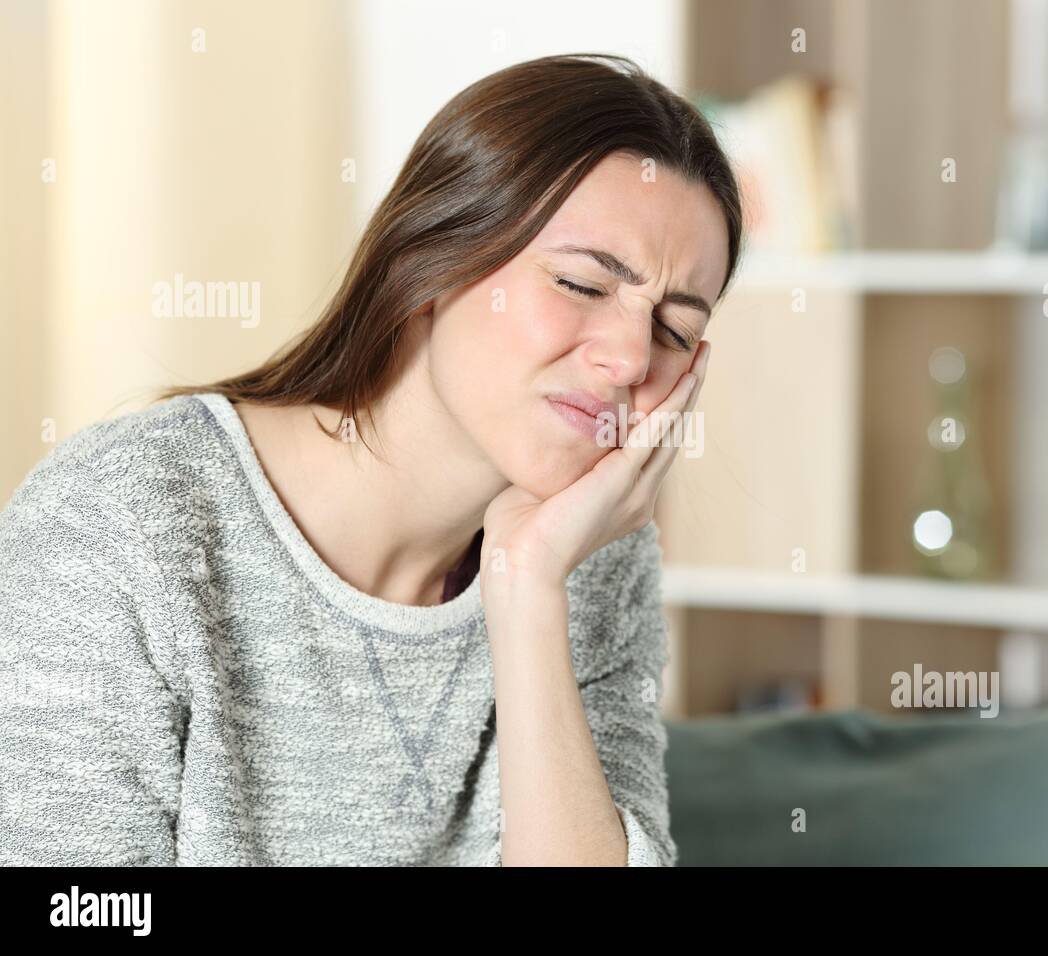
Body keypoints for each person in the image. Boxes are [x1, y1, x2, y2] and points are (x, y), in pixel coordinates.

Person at [0, 52, 743, 866]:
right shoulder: (118, 521)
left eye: (674, 329)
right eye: (580, 285)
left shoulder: (586, 553)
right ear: (433, 258)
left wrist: (526, 590)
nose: (632, 359)